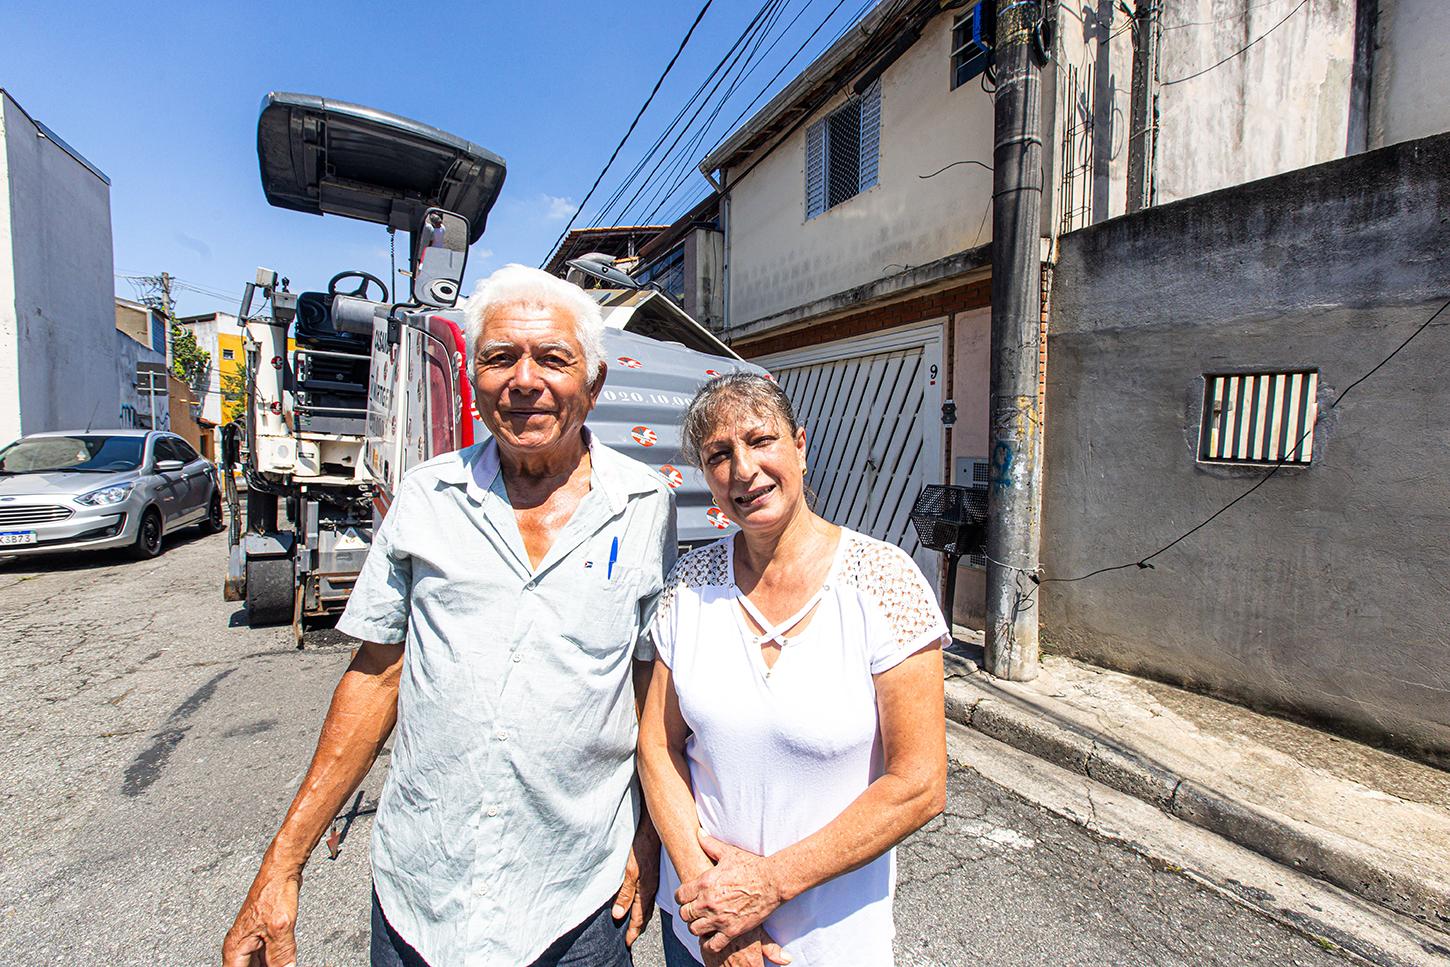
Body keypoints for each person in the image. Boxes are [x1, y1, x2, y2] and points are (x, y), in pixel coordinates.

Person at [222, 264, 675, 967]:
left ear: (594, 384)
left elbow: (653, 688)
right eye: (500, 357)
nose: (525, 379)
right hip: (421, 896)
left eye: (553, 358)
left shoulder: (646, 505)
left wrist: (649, 836)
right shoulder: (427, 497)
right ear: (474, 379)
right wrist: (283, 863)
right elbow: (375, 678)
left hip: (577, 899)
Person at [639, 373, 948, 967]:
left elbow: (919, 784)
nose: (744, 470)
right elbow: (658, 744)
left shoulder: (884, 581)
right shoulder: (691, 584)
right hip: (701, 937)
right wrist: (713, 909)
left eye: (761, 441)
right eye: (719, 455)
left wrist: (768, 885)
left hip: (830, 944)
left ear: (801, 447)